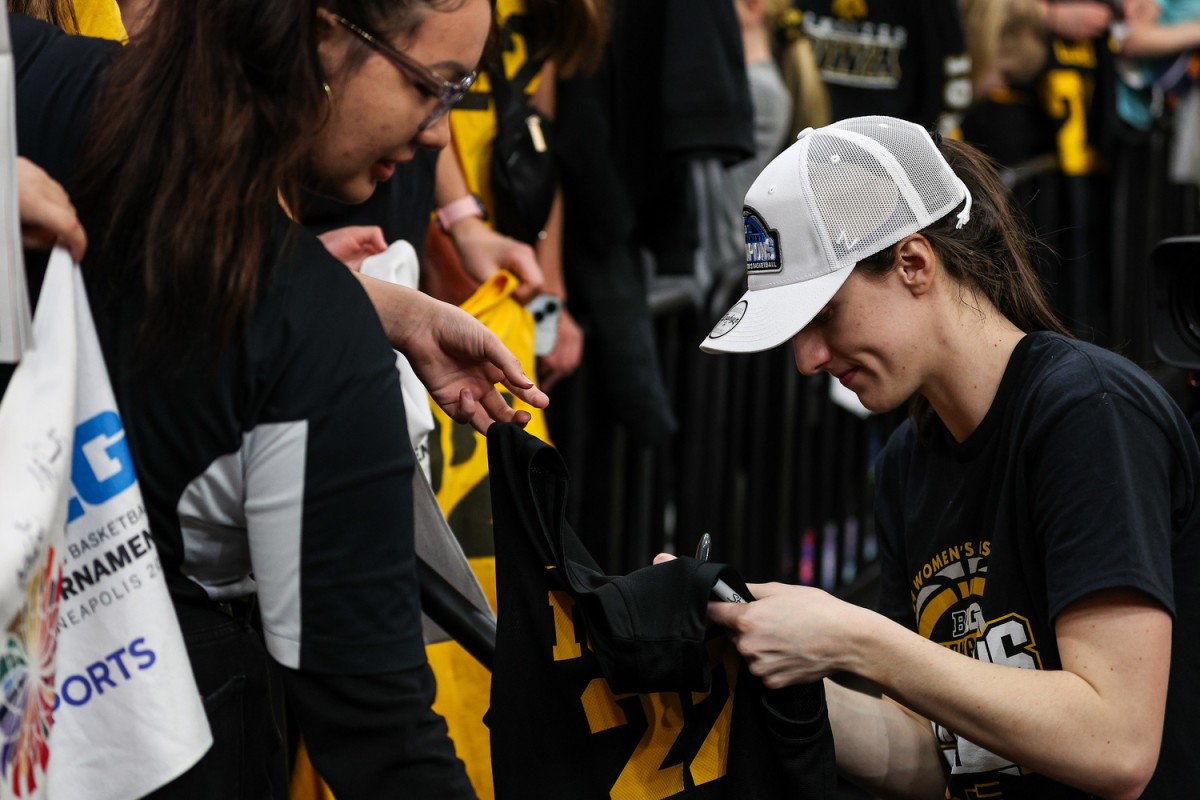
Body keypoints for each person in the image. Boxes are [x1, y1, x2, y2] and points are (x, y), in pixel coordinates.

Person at [11, 2, 549, 798]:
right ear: (327, 31)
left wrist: (377, 306)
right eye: (434, 87)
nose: (440, 131)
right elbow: (379, 738)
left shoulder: (43, 89)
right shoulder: (313, 343)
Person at [690, 115, 1199, 799]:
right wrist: (756, 670)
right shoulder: (909, 459)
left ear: (914, 263)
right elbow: (939, 760)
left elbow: (1118, 745)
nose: (808, 359)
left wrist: (854, 637)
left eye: (825, 315)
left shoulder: (1087, 411)